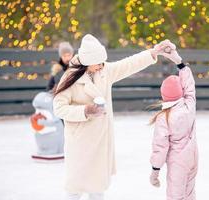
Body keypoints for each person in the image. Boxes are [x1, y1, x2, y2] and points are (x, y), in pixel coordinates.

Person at [53, 34, 180, 200]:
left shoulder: (104, 71)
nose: (101, 65)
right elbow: (59, 108)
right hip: (80, 142)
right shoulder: (69, 77)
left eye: (102, 62)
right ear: (87, 61)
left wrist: (153, 52)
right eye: (98, 63)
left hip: (100, 141)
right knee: (74, 188)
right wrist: (86, 110)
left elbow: (128, 64)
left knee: (98, 187)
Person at [149, 59, 198, 200]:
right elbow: (190, 86)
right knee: (189, 194)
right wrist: (181, 66)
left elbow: (160, 147)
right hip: (193, 158)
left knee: (175, 196)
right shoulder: (189, 105)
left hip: (178, 163)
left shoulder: (164, 118)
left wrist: (155, 171)